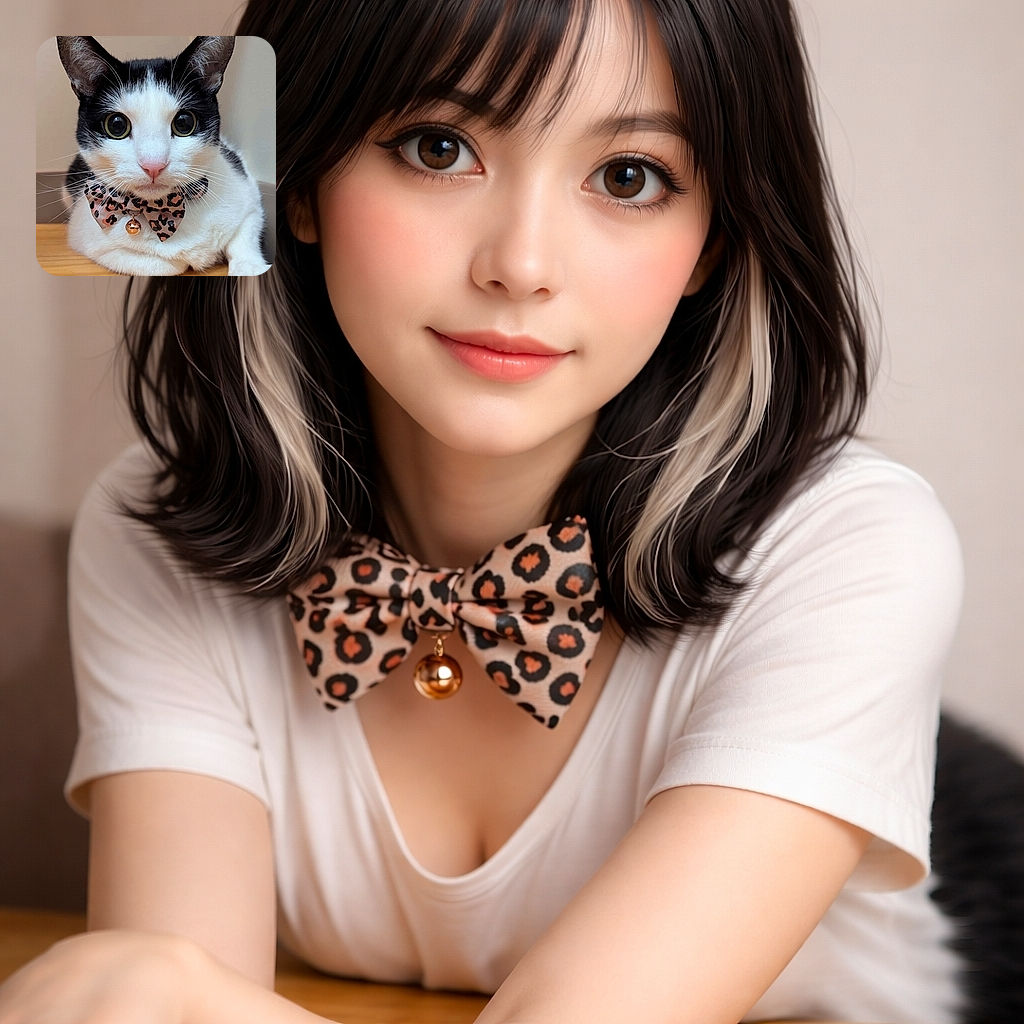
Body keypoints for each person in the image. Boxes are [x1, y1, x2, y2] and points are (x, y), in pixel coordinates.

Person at [2, 1, 999, 1022]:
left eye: (627, 177)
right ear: (294, 179)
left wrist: (170, 994)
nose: (520, 266)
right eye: (439, 148)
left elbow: (171, 997)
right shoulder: (155, 525)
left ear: (713, 239)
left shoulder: (854, 551)